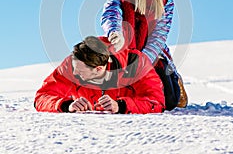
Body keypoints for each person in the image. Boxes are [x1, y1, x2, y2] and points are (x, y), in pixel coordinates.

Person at [101, 0, 188, 110]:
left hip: (152, 54)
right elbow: (111, 11)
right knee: (121, 93)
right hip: (123, 50)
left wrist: (141, 62)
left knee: (168, 100)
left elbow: (160, 34)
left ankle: (175, 80)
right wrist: (114, 32)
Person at [34, 36, 165, 114]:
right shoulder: (72, 64)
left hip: (153, 81)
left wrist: (121, 106)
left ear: (98, 69)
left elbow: (157, 102)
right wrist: (65, 105)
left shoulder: (136, 63)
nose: (74, 73)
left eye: (80, 72)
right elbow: (41, 97)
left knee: (171, 98)